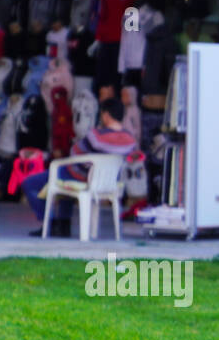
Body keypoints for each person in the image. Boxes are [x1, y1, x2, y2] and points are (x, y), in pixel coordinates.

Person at [22, 98, 137, 237]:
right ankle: (63, 224)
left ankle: (50, 223)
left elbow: (75, 152)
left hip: (83, 177)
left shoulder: (96, 136)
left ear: (106, 115)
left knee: (30, 183)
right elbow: (132, 158)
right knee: (66, 178)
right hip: (108, 182)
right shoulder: (130, 140)